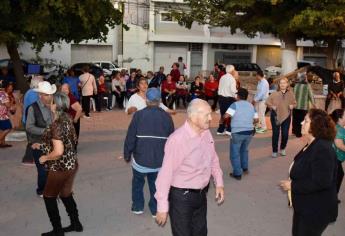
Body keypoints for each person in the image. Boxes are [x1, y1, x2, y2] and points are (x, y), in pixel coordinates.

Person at [155, 99, 224, 236]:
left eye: (210, 114)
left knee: (201, 232)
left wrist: (219, 182)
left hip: (201, 195)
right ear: (193, 117)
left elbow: (213, 159)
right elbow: (165, 174)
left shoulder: (206, 133)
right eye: (206, 115)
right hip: (182, 198)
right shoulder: (178, 140)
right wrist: (162, 206)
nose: (210, 118)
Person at [280, 109, 338, 236]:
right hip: (305, 206)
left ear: (315, 125)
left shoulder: (322, 148)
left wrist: (292, 185)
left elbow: (322, 181)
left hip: (315, 210)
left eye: (306, 121)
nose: (301, 123)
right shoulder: (313, 144)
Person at [32, 92, 83, 236]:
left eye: (52, 101)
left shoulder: (57, 124)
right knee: (66, 194)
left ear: (56, 105)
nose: (49, 103)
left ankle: (58, 230)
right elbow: (64, 141)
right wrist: (41, 145)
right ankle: (76, 224)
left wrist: (45, 158)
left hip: (60, 167)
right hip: (72, 164)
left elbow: (58, 151)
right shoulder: (67, 118)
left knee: (49, 197)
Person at [124, 88, 175, 217]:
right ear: (160, 101)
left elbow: (131, 136)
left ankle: (137, 206)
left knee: (137, 183)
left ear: (146, 100)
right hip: (159, 161)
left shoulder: (139, 115)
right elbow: (172, 140)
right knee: (156, 185)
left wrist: (127, 153)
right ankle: (154, 209)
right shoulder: (167, 117)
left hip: (140, 159)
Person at [26, 81, 56, 197]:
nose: (50, 97)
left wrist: (55, 113)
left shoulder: (54, 106)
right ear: (40, 95)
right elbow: (29, 127)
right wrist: (46, 131)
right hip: (37, 143)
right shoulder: (33, 108)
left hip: (53, 143)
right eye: (47, 95)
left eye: (50, 94)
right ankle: (41, 190)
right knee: (43, 169)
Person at [224, 88, 258, 180]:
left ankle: (237, 173)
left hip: (237, 132)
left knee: (235, 153)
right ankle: (245, 167)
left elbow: (226, 116)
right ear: (246, 97)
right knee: (244, 150)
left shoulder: (234, 105)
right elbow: (256, 119)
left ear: (238, 96)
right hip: (249, 132)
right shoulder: (251, 106)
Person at [266, 77, 296, 158]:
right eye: (281, 83)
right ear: (279, 84)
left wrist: (292, 106)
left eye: (284, 83)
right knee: (276, 133)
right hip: (275, 116)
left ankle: (283, 148)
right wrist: (272, 106)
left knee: (285, 134)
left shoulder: (291, 94)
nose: (282, 84)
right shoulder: (274, 94)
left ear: (287, 84)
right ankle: (274, 151)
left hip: (286, 116)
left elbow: (294, 103)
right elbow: (267, 102)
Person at [22, 76, 44, 165]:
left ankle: (30, 158)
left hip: (28, 120)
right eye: (42, 82)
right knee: (33, 140)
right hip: (31, 121)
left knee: (34, 140)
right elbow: (36, 108)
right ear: (38, 84)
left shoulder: (30, 92)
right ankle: (28, 159)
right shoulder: (33, 93)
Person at [292, 72, 315, 137]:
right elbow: (311, 96)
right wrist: (314, 104)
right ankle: (299, 133)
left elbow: (293, 95)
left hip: (295, 106)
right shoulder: (307, 86)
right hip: (303, 107)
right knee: (301, 120)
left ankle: (294, 131)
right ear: (305, 79)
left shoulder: (296, 85)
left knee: (295, 119)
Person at [217, 65, 237, 136]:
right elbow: (233, 90)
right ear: (232, 71)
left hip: (221, 98)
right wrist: (237, 97)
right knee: (230, 115)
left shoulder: (222, 77)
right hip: (229, 99)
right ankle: (229, 130)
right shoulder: (232, 79)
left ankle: (220, 130)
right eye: (234, 70)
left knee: (223, 115)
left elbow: (219, 87)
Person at [330, 109, 345, 201]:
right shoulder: (339, 129)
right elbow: (338, 144)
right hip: (334, 157)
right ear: (340, 118)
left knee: (335, 176)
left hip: (334, 157)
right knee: (338, 176)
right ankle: (331, 197)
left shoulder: (338, 127)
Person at [0, 81, 13, 148]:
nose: (11, 88)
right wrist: (11, 103)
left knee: (2, 129)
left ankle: (3, 143)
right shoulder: (3, 94)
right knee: (8, 127)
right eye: (10, 87)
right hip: (2, 115)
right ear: (6, 87)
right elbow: (7, 105)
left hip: (2, 114)